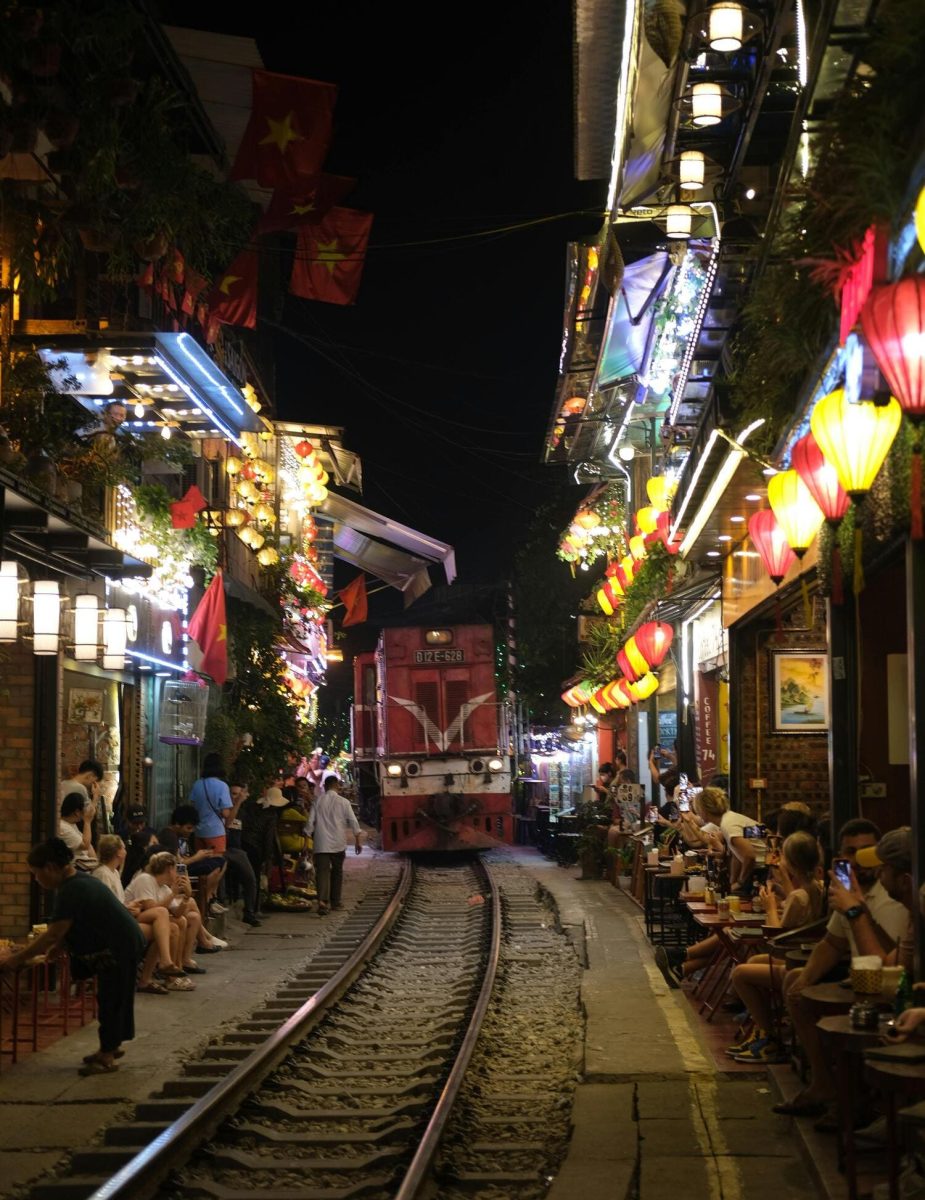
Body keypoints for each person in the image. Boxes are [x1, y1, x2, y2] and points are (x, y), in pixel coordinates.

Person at [774, 818, 909, 1118]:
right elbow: (832, 943)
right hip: (861, 974)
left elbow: (887, 967)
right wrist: (804, 980)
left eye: (868, 852)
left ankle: (855, 1093)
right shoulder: (850, 890)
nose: (860, 860)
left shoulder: (895, 897)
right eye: (852, 852)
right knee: (796, 980)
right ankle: (825, 1082)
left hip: (886, 985)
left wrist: (856, 909)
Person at [0, 838, 145, 1073]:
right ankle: (110, 1046)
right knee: (112, 997)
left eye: (36, 874)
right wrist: (61, 945)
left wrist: (15, 960)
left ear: (50, 868)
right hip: (121, 944)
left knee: (112, 999)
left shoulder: (73, 888)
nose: (37, 880)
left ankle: (107, 1055)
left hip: (120, 946)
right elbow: (69, 927)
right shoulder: (76, 883)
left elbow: (52, 934)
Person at [727, 831, 827, 1063]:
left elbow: (775, 937)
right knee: (753, 962)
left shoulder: (799, 896)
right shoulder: (818, 887)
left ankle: (768, 1036)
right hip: (804, 956)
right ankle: (767, 1026)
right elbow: (799, 902)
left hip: (792, 963)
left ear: (790, 862)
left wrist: (770, 906)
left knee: (740, 974)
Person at [93, 835, 183, 995]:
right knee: (162, 914)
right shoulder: (104, 874)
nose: (126, 851)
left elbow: (117, 903)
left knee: (168, 929)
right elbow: (105, 906)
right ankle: (165, 962)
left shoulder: (113, 872)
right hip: (112, 925)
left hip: (124, 917)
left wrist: (129, 906)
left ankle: (147, 978)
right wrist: (128, 908)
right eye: (123, 848)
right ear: (118, 853)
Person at [156, 804, 226, 923]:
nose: (191, 831)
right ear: (177, 824)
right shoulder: (169, 837)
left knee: (220, 862)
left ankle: (209, 898)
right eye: (188, 828)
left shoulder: (176, 837)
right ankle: (207, 900)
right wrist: (196, 858)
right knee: (216, 864)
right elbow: (176, 865)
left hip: (183, 869)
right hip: (179, 871)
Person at [306, 775, 362, 916]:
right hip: (338, 842)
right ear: (337, 786)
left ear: (324, 786)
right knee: (337, 872)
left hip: (321, 842)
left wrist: (307, 836)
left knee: (322, 872)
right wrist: (357, 840)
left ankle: (322, 902)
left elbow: (310, 822)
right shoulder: (344, 802)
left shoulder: (317, 801)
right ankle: (335, 902)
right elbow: (353, 821)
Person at [188, 753, 233, 853]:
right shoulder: (222, 786)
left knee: (201, 863)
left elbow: (193, 806)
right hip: (215, 832)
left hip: (199, 832)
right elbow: (226, 813)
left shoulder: (197, 784)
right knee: (216, 864)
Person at [58, 792, 99, 871]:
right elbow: (85, 845)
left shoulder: (71, 824)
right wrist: (87, 822)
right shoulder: (62, 827)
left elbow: (89, 846)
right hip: (77, 868)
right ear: (77, 812)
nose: (86, 812)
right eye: (84, 808)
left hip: (87, 866)